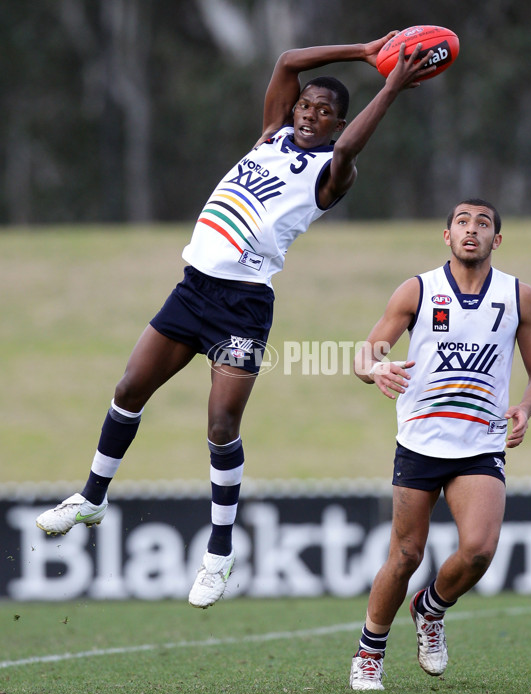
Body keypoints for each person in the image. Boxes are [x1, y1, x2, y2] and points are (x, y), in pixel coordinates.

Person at [36, 34, 436, 609]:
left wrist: (392, 83)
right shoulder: (271, 134)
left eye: (325, 112)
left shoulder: (332, 172)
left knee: (222, 423)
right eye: (306, 105)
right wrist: (367, 50)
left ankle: (219, 555)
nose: (311, 115)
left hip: (243, 306)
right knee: (128, 389)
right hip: (193, 289)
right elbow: (287, 63)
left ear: (336, 123)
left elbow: (349, 150)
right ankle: (92, 498)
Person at [349, 199, 531, 690]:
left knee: (479, 550)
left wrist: (525, 408)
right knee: (405, 555)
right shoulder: (418, 290)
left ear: (496, 240)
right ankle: (369, 652)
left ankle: (431, 608)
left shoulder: (518, 296)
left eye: (483, 224)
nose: (471, 230)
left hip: (480, 443)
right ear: (447, 235)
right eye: (462, 222)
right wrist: (376, 368)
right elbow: (363, 354)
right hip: (420, 441)